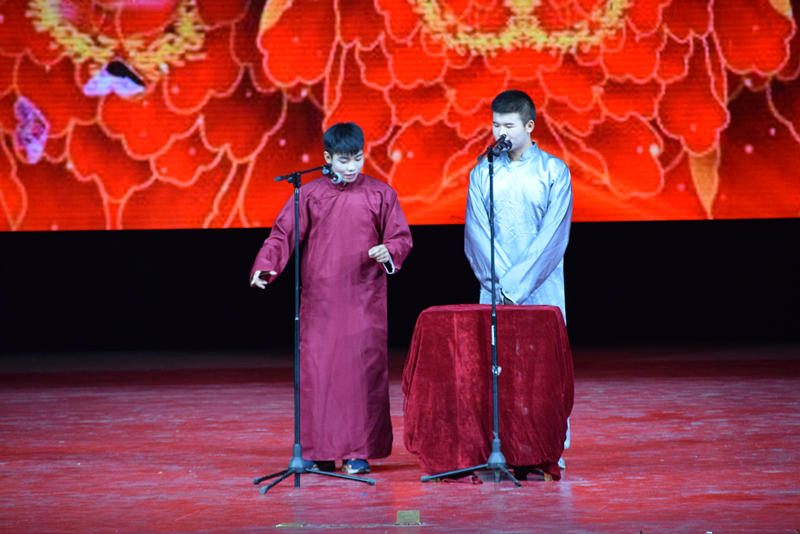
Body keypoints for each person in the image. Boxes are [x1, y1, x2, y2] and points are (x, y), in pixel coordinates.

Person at [250, 122, 413, 475]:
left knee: (360, 376)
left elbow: (400, 237)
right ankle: (318, 450)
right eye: (343, 160)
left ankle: (358, 452)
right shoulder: (309, 194)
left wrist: (389, 251)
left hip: (363, 299)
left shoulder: (381, 194)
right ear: (327, 158)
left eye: (357, 158)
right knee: (319, 375)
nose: (352, 167)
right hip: (321, 301)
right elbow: (282, 234)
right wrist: (266, 265)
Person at [464, 89, 573, 473]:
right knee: (498, 368)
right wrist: (501, 284)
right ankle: (501, 446)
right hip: (495, 289)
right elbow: (476, 234)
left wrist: (515, 285)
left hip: (541, 288)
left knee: (542, 369)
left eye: (509, 125)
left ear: (529, 126)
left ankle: (545, 448)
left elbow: (553, 236)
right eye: (496, 125)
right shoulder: (483, 172)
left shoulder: (554, 171)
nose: (501, 132)